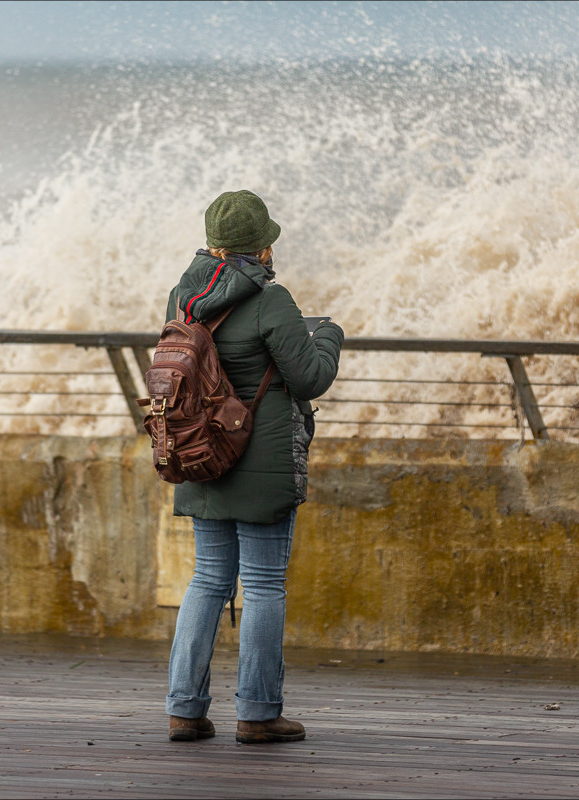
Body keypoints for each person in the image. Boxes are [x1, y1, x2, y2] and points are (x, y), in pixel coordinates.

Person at [164, 189, 344, 744]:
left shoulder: (184, 296)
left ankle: (184, 710)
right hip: (261, 463)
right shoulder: (272, 300)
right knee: (263, 584)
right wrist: (328, 336)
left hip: (202, 454)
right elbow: (309, 377)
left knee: (208, 580)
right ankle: (259, 714)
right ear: (262, 248)